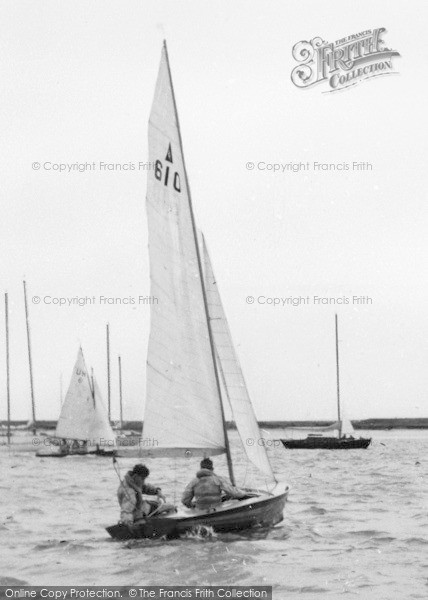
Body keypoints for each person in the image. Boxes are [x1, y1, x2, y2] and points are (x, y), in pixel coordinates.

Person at [181, 458, 249, 511]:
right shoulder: (218, 479)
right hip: (215, 510)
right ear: (212, 468)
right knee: (234, 501)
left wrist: (192, 505)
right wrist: (244, 493)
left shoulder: (193, 481)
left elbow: (184, 500)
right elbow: (234, 493)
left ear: (200, 468)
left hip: (200, 511)